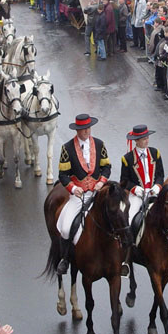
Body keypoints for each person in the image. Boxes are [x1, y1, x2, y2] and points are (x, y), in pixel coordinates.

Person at [56, 114, 111, 275]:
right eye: (83, 129)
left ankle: (121, 256)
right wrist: (73, 189)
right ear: (78, 130)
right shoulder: (67, 148)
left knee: (116, 215)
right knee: (66, 228)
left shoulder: (99, 144)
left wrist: (101, 181)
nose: (86, 131)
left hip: (97, 191)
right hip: (78, 195)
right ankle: (65, 259)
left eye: (88, 128)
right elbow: (63, 175)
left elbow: (106, 167)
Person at [120, 125, 164, 224]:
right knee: (130, 219)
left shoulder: (155, 153)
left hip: (154, 192)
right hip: (137, 195)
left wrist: (158, 186)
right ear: (137, 140)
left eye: (147, 138)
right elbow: (124, 180)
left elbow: (160, 174)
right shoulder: (127, 158)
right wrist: (135, 189)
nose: (147, 141)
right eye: (144, 139)